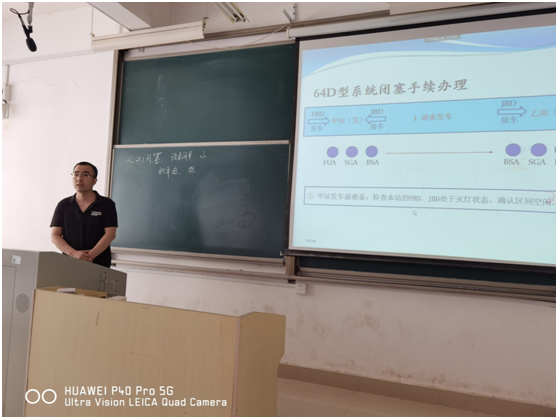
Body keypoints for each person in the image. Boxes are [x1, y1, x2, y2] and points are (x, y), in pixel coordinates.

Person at [50, 162, 118, 267]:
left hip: (98, 263)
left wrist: (88, 257)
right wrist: (74, 254)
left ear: (94, 181)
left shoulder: (107, 204)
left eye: (85, 175)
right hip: (69, 263)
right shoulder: (63, 205)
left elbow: (110, 234)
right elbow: (55, 235)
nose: (79, 178)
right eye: (76, 174)